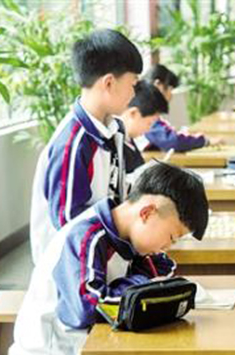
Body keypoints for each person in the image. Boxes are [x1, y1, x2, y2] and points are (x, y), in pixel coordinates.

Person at [8, 162, 209, 355]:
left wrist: (143, 283)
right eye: (172, 237)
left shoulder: (129, 242)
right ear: (147, 213)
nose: (168, 246)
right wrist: (141, 282)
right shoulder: (86, 236)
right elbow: (88, 308)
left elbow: (162, 272)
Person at [29, 29, 143, 265]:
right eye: (132, 84)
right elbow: (70, 225)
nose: (134, 93)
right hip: (73, 267)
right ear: (109, 83)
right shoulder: (73, 144)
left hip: (103, 254)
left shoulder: (114, 128)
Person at [138, 64, 224, 152]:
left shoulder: (145, 107)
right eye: (170, 89)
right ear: (158, 85)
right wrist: (205, 141)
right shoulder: (144, 111)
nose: (171, 95)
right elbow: (171, 141)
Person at [119, 80, 169, 173]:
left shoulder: (129, 142)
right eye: (149, 123)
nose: (149, 129)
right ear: (133, 113)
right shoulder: (115, 146)